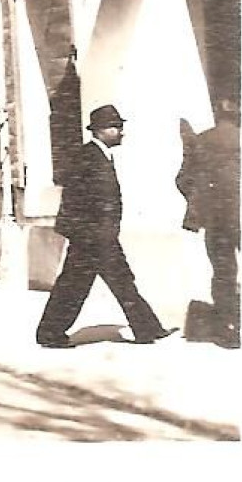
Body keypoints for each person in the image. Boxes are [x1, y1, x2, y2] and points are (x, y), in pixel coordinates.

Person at [36, 104, 174, 348]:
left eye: (120, 127)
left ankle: (148, 329)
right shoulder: (87, 157)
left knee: (120, 282)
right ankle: (49, 333)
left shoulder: (98, 156)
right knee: (75, 286)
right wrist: (89, 234)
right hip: (90, 238)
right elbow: (75, 198)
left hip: (98, 236)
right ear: (100, 131)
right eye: (116, 127)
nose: (121, 132)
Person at [177, 97, 241, 348]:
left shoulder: (202, 141)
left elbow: (183, 180)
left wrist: (200, 202)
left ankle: (229, 327)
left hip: (217, 219)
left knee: (224, 272)